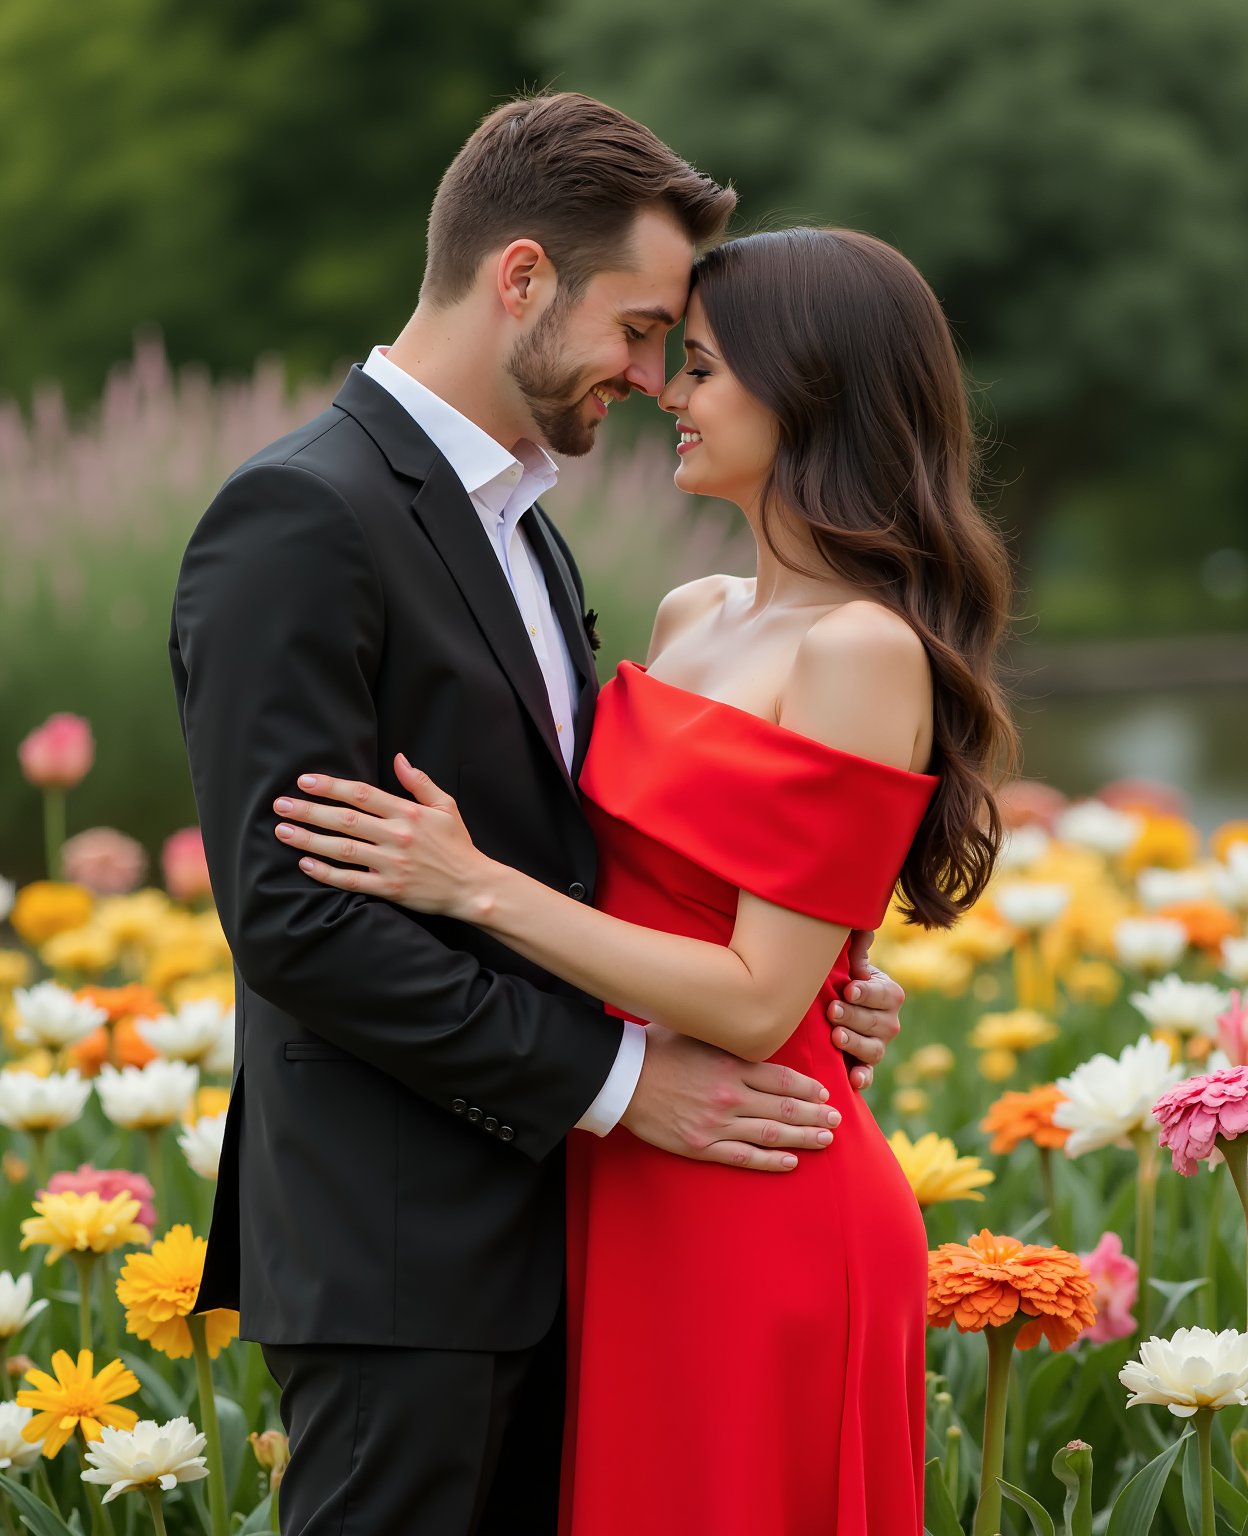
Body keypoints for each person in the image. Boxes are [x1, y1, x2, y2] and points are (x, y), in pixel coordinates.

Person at [170, 96, 907, 1536]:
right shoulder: (300, 517)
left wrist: (805, 974)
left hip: (592, 1233)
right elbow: (298, 922)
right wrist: (628, 1084)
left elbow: (588, 847)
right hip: (408, 1251)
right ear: (521, 280)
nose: (651, 375)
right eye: (641, 330)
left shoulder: (523, 520)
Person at [275, 226, 1018, 1534]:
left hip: (757, 1194)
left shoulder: (862, 652)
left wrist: (474, 886)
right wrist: (839, 971)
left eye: (706, 369)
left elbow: (745, 999)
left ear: (812, 394)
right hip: (625, 1179)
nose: (668, 393)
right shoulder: (692, 614)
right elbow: (679, 887)